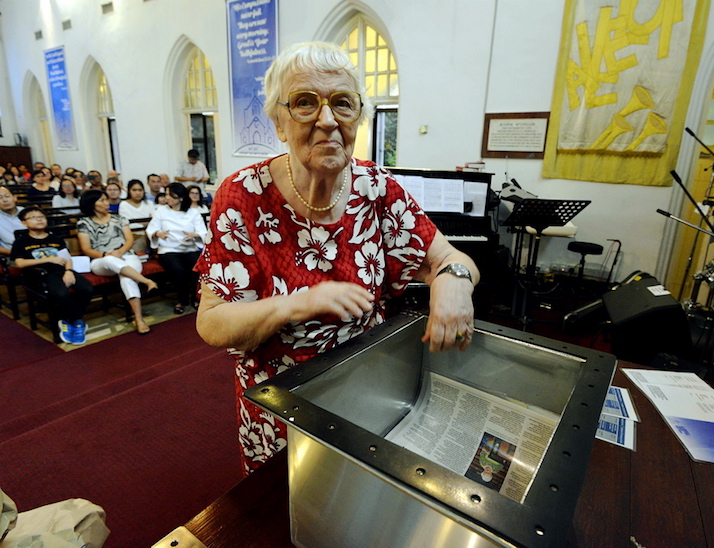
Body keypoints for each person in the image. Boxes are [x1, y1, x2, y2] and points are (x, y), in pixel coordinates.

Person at [195, 42, 479, 474]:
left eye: (342, 104)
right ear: (278, 122)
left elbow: (450, 258)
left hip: (368, 381)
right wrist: (294, 304)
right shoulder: (242, 195)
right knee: (286, 505)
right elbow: (213, 323)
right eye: (305, 103)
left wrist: (455, 280)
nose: (327, 120)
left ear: (357, 117)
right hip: (281, 395)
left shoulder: (376, 187)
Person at [76, 190, 159, 335]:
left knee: (127, 277)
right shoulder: (84, 223)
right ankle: (146, 281)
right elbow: (86, 249)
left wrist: (119, 252)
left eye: (106, 199)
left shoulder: (119, 218)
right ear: (91, 203)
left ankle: (138, 319)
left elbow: (129, 240)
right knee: (110, 260)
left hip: (126, 255)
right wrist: (108, 254)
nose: (106, 203)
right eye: (101, 200)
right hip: (101, 261)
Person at [11, 206, 93, 344]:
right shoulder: (21, 241)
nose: (39, 219)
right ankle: (76, 321)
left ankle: (71, 320)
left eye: (41, 217)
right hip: (42, 275)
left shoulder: (56, 239)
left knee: (87, 289)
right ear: (24, 223)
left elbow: (67, 259)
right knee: (62, 294)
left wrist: (68, 272)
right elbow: (19, 263)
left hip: (62, 271)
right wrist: (48, 259)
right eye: (33, 217)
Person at [146, 183, 205, 314]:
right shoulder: (161, 211)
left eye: (171, 195)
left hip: (189, 248)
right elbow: (151, 229)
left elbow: (202, 232)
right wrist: (157, 233)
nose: (167, 198)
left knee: (197, 267)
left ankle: (196, 298)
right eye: (166, 194)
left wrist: (194, 235)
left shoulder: (193, 213)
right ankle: (182, 301)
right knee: (178, 270)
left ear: (181, 198)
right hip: (169, 249)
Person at [0, 187, 24, 256]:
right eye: (0, 198)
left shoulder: (27, 213)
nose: (5, 200)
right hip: (11, 255)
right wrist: (14, 253)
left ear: (15, 198)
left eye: (7, 196)